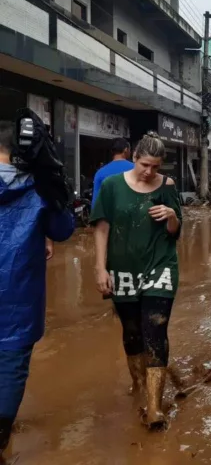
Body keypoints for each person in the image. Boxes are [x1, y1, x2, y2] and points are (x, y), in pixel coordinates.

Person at [90, 132, 181, 430]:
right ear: (134, 158)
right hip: (123, 270)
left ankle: (154, 407)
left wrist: (171, 215)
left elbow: (175, 230)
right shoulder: (112, 186)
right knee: (132, 333)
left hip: (160, 267)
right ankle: (139, 384)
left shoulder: (168, 187)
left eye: (155, 166)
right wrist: (100, 268)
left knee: (155, 329)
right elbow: (101, 228)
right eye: (144, 164)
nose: (149, 172)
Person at [0, 121, 75, 453]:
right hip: (20, 300)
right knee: (11, 370)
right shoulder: (40, 189)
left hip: (20, 298)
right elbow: (62, 231)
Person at [92, 137, 133, 210]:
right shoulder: (135, 169)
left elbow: (95, 204)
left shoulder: (100, 172)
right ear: (126, 150)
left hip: (108, 217)